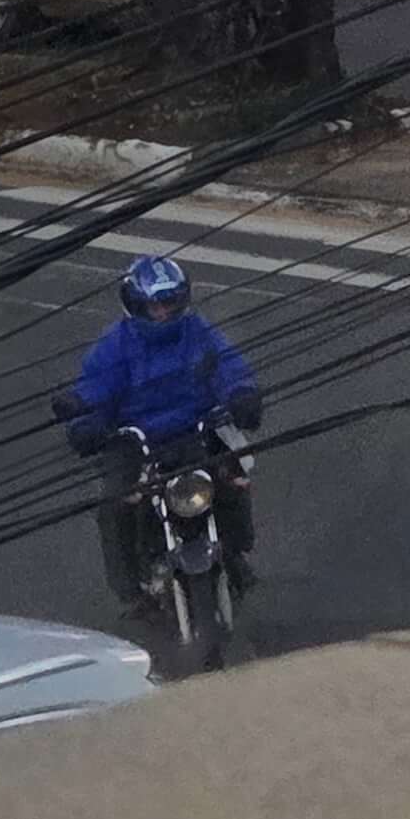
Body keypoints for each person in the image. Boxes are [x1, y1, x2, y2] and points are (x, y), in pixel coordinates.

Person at [66, 255, 261, 606]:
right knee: (116, 502)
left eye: (169, 303)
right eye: (153, 306)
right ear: (135, 305)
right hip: (134, 438)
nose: (162, 314)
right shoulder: (114, 346)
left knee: (234, 473)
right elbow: (94, 388)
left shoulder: (198, 333)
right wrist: (85, 422)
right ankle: (131, 586)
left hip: (195, 427)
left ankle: (236, 550)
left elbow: (229, 367)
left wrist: (242, 395)